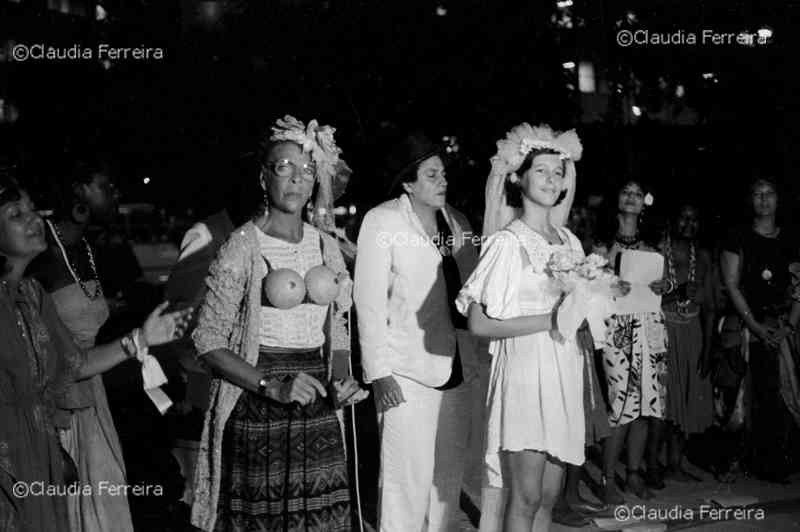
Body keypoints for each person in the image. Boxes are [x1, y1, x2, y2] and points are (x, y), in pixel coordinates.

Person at [190, 116, 367, 532]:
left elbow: (337, 327)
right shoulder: (243, 245)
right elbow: (207, 339)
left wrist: (342, 379)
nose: (297, 180)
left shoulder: (325, 245)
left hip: (318, 401)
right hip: (260, 401)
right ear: (263, 176)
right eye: (284, 167)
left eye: (307, 170)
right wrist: (272, 386)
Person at [0, 172, 191, 532]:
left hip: (39, 449)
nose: (34, 219)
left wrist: (140, 338)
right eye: (16, 214)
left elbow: (75, 363)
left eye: (31, 210)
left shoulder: (31, 295)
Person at [456, 123, 588, 532]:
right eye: (541, 171)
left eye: (557, 172)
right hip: (525, 378)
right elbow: (478, 322)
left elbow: (578, 310)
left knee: (549, 498)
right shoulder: (508, 242)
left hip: (563, 373)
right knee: (526, 497)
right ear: (519, 177)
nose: (551, 180)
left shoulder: (571, 242)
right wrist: (549, 320)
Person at [353, 131, 481, 532]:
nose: (442, 180)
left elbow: (475, 289)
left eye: (443, 173)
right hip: (405, 372)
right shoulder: (383, 220)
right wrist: (379, 373)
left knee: (447, 480)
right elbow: (368, 301)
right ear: (408, 182)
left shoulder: (457, 223)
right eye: (431, 174)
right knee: (404, 480)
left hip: (458, 367)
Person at [26, 161, 136, 532]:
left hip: (93, 395)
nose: (115, 194)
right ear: (78, 192)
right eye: (105, 186)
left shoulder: (86, 250)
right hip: (58, 401)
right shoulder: (41, 253)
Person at [720, 177, 800, 483]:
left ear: (778, 199)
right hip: (749, 325)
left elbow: (798, 285)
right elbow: (731, 284)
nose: (764, 199)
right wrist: (754, 325)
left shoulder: (790, 238)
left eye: (770, 193)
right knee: (751, 393)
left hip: (784, 327)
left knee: (785, 394)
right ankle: (750, 460)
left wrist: (790, 325)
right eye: (757, 194)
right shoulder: (738, 237)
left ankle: (781, 460)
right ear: (750, 201)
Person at [595, 180, 669, 503]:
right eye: (625, 191)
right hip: (617, 330)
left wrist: (663, 286)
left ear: (644, 204)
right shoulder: (601, 245)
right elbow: (591, 288)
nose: (631, 197)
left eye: (637, 194)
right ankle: (607, 478)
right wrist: (610, 285)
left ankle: (634, 473)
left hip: (650, 328)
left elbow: (665, 285)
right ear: (617, 199)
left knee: (645, 407)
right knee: (621, 404)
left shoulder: (654, 246)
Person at [653, 203, 714, 482]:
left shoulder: (702, 257)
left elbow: (711, 307)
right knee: (663, 402)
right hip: (662, 330)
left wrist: (709, 347)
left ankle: (676, 465)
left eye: (694, 219)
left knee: (685, 399)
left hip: (692, 333)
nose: (689, 223)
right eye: (683, 217)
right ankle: (652, 464)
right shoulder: (655, 252)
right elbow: (643, 299)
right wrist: (676, 292)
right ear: (672, 220)